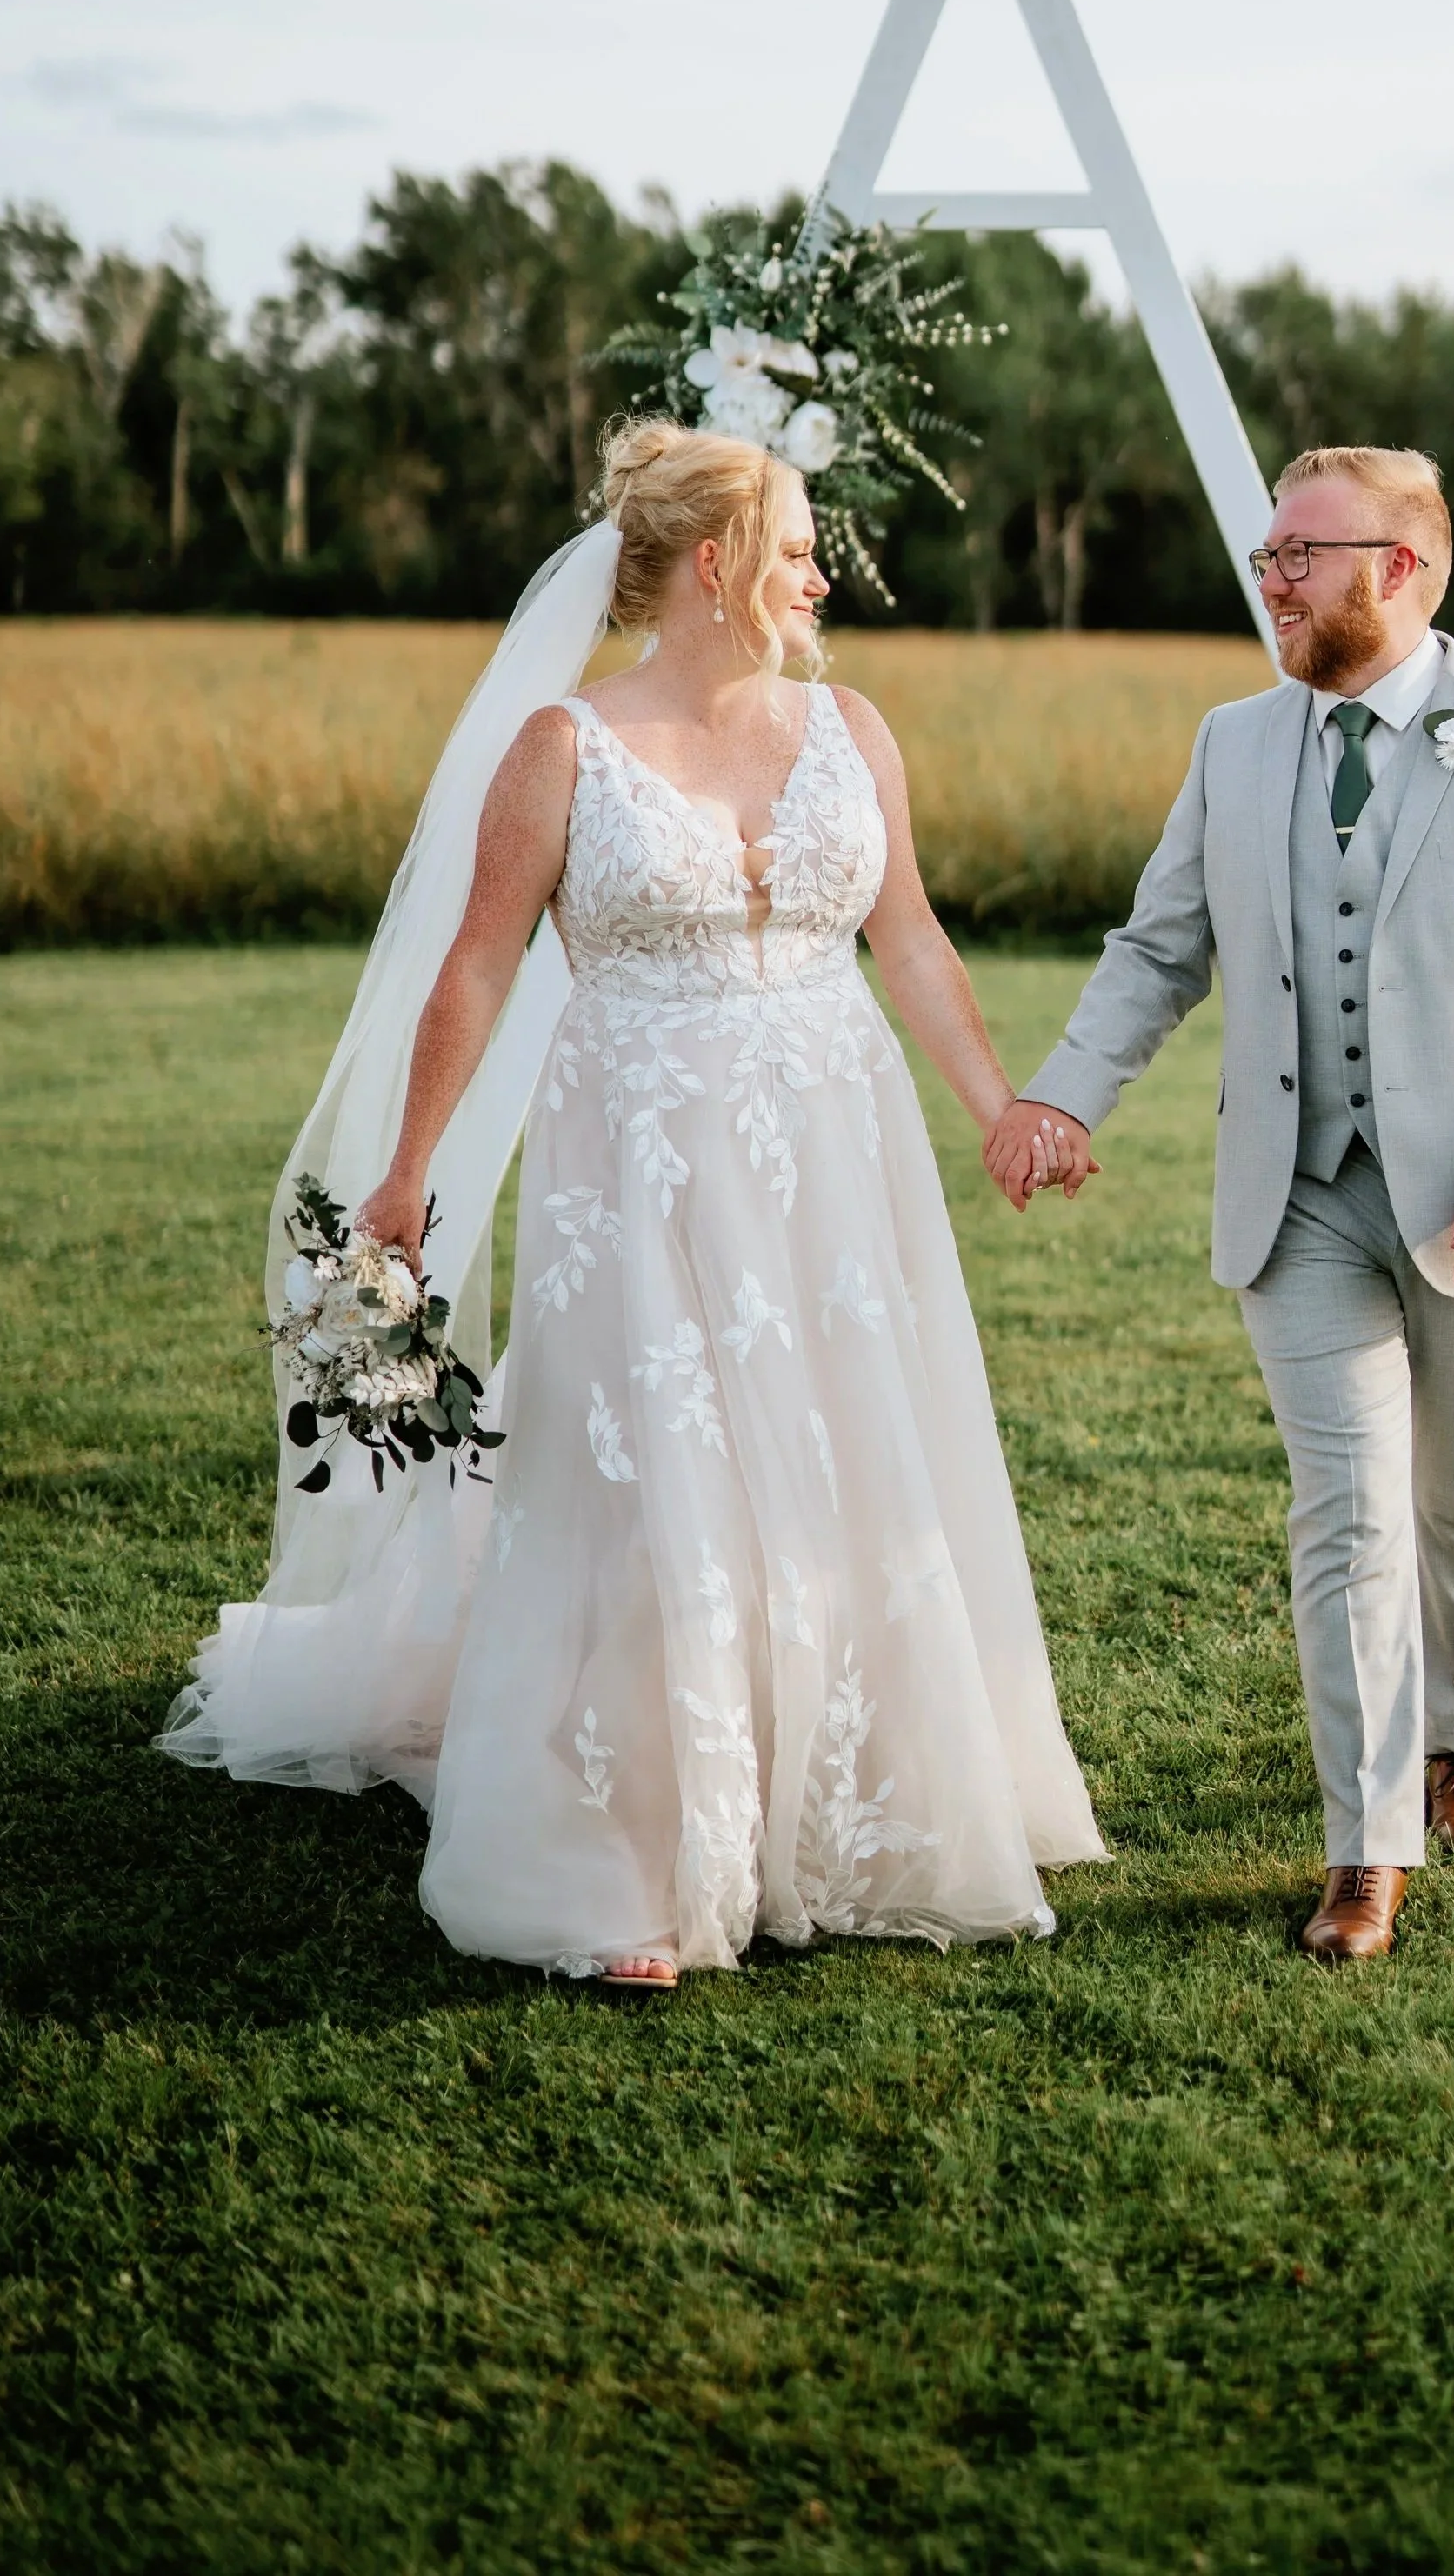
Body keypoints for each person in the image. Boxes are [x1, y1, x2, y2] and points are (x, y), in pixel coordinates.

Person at [163, 423, 1104, 1980]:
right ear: (721, 565)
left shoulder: (853, 727)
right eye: (799, 544)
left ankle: (858, 1796)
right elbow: (474, 964)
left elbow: (912, 939)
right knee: (649, 1466)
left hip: (833, 1159)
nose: (822, 571)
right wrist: (408, 1171)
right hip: (643, 1165)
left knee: (842, 1445)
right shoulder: (563, 748)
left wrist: (1003, 1109)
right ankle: (634, 1851)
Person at [988, 445, 1454, 1962]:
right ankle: (1369, 1845)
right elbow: (1161, 948)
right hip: (1299, 1198)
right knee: (1346, 1512)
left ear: (1397, 568)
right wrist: (1065, 1091)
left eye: (1299, 555)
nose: (1269, 581)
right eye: (1267, 558)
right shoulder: (1234, 743)